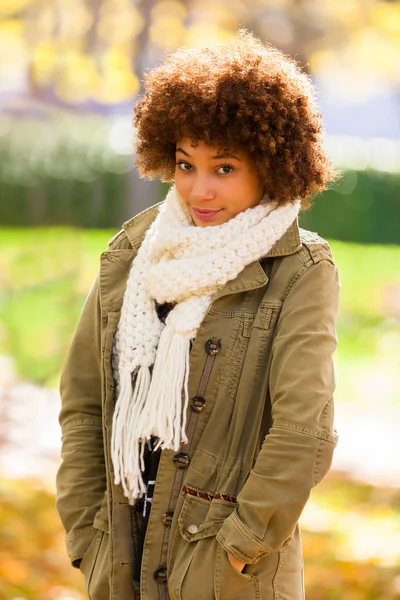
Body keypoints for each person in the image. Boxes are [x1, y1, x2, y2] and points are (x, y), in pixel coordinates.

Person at [56, 30, 340, 600]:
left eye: (225, 168)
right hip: (121, 559)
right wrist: (87, 536)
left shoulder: (299, 269)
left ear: (272, 165)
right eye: (186, 164)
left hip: (223, 574)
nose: (199, 190)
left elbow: (303, 430)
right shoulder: (134, 253)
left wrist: (241, 545)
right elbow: (84, 405)